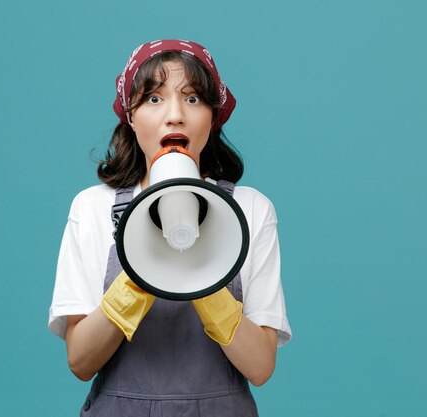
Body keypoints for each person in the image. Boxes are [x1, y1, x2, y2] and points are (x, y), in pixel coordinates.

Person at [48, 39, 292, 417]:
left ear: (213, 116)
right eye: (154, 99)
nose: (175, 115)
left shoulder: (250, 210)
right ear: (130, 116)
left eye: (193, 99)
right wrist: (143, 269)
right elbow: (81, 362)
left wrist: (200, 271)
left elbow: (260, 368)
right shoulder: (92, 208)